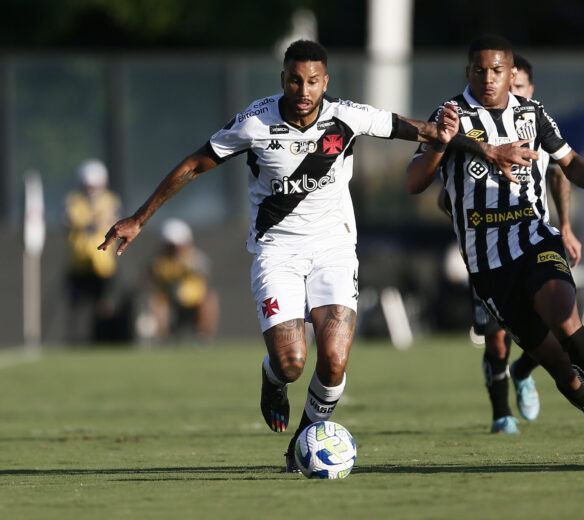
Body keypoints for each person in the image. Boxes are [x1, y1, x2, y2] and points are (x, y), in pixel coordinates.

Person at [98, 40, 533, 472]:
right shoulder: (255, 122)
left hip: (334, 249)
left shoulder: (347, 115)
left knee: (335, 359)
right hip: (277, 252)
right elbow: (195, 164)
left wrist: (489, 150)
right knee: (291, 362)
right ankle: (273, 380)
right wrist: (139, 218)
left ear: (324, 82)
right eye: (294, 80)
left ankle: (301, 444)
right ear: (282, 80)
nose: (303, 90)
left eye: (312, 81)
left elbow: (425, 131)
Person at [406, 35, 584, 465]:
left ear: (512, 73)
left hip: (534, 238)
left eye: (497, 71)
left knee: (568, 323)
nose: (488, 79)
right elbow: (414, 183)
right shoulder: (449, 115)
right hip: (488, 264)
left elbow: (568, 163)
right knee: (561, 369)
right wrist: (439, 143)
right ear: (468, 72)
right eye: (479, 70)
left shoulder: (532, 114)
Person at [469, 53, 584, 433]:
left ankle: (524, 370)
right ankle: (501, 414)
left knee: (559, 326)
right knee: (497, 338)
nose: (504, 91)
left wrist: (565, 226)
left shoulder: (535, 121)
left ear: (526, 87)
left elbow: (560, 172)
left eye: (515, 86)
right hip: (489, 249)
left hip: (533, 239)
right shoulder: (474, 127)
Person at [64, 158, 121, 343]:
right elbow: (70, 220)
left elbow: (113, 218)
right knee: (76, 304)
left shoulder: (110, 200)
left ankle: (103, 338)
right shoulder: (74, 200)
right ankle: (75, 340)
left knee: (103, 304)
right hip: (79, 262)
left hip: (103, 263)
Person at [147, 218, 219, 341]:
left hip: (194, 300)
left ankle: (204, 336)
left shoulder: (196, 258)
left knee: (209, 299)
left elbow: (205, 274)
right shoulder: (158, 261)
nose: (173, 249)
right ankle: (162, 336)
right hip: (169, 300)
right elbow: (148, 278)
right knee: (157, 302)